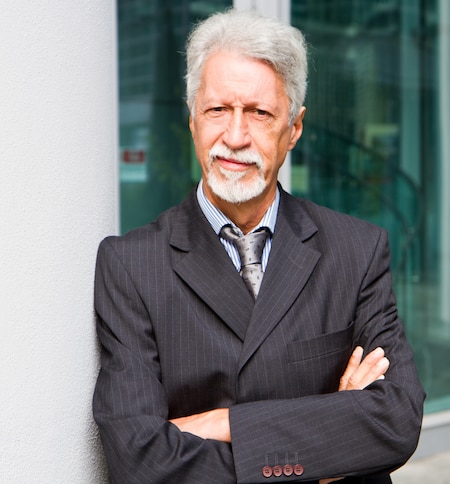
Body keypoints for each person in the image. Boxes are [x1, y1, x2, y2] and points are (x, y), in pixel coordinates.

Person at [93, 8, 425, 484]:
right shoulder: (130, 266)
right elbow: (141, 461)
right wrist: (328, 445)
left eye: (259, 113)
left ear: (294, 128)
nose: (234, 137)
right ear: (192, 120)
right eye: (217, 110)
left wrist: (223, 423)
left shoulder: (359, 250)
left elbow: (397, 419)